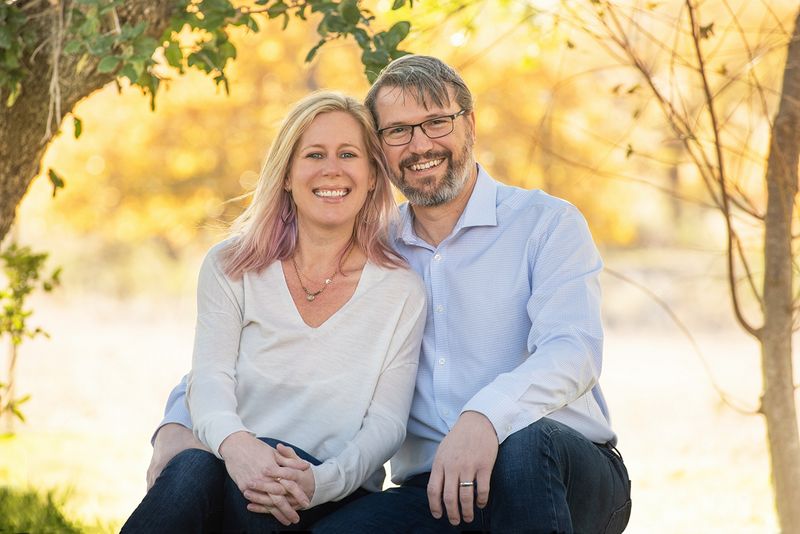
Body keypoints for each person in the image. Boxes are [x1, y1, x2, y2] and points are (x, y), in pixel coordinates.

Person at [150, 55, 632, 533]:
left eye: (436, 122)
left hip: (560, 468)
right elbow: (228, 356)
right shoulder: (376, 251)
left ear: (470, 123)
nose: (420, 144)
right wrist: (175, 426)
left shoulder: (545, 223)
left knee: (522, 449)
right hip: (434, 489)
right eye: (398, 131)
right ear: (380, 149)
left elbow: (574, 352)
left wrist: (485, 416)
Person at [122, 91, 427, 533]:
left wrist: (320, 481)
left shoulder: (400, 289)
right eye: (314, 154)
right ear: (286, 174)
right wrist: (238, 447)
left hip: (331, 492)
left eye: (348, 154)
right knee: (192, 469)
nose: (332, 169)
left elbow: (387, 424)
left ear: (373, 176)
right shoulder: (233, 266)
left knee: (255, 495)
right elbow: (208, 380)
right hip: (233, 465)